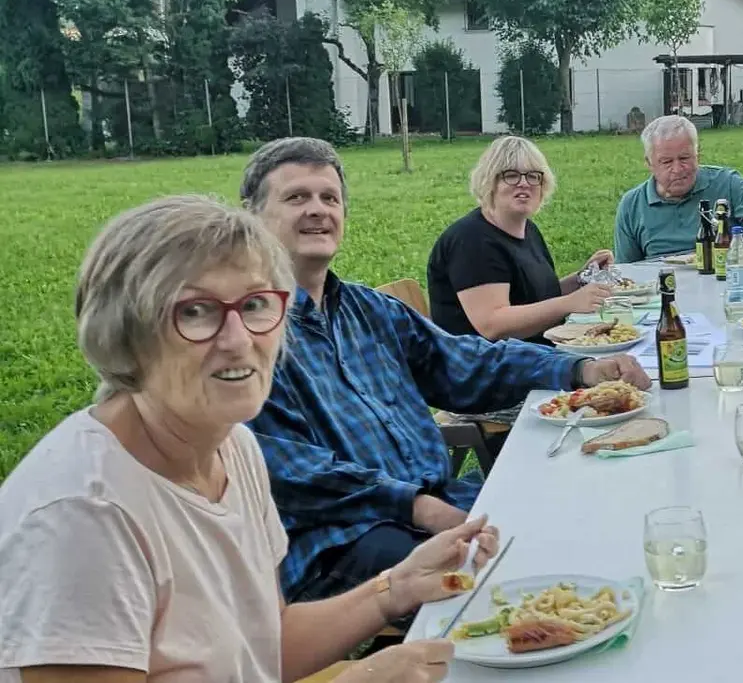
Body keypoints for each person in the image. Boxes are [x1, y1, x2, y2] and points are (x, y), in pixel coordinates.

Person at [0, 195, 495, 682]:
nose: (239, 340)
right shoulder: (83, 517)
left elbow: (263, 645)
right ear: (123, 335)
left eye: (256, 304)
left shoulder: (232, 447)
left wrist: (393, 589)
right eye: (195, 312)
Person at [240, 137, 651, 605]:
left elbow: (466, 362)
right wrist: (417, 507)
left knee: (580, 500)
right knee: (517, 574)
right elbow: (278, 465)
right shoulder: (244, 333)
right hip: (344, 539)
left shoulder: (366, 310)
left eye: (329, 197)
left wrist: (579, 369)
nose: (318, 210)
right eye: (297, 197)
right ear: (252, 216)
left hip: (436, 499)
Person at [428, 135, 613, 344]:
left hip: (531, 355)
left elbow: (535, 299)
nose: (524, 184)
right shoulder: (471, 240)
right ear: (490, 182)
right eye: (511, 175)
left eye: (533, 176)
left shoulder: (527, 229)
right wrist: (570, 303)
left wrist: (582, 279)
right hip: (486, 367)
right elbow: (493, 325)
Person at [613, 115, 743, 262]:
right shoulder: (632, 205)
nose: (677, 169)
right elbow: (627, 271)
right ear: (649, 163)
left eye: (685, 158)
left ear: (698, 155)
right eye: (666, 162)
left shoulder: (727, 182)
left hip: (724, 281)